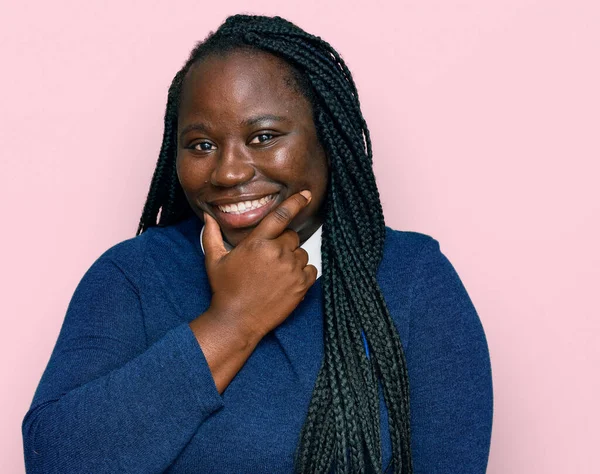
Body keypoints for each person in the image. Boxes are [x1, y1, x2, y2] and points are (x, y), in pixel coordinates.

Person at [22, 14, 493, 474]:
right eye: (202, 145)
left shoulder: (413, 279)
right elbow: (55, 459)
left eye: (264, 137)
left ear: (327, 140)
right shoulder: (132, 275)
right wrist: (233, 320)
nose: (228, 172)